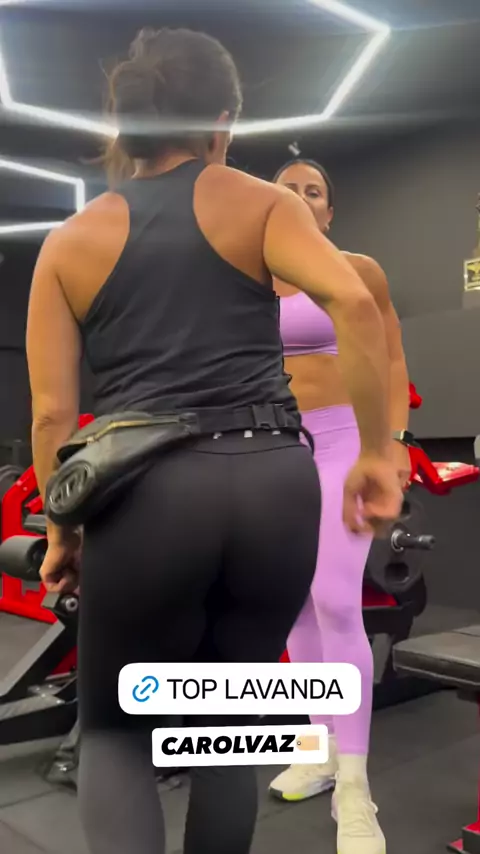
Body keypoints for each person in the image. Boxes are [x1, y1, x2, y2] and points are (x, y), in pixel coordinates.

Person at [26, 29, 402, 854]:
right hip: (275, 481)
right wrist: (380, 452)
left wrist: (61, 533)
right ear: (222, 121)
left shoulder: (69, 241)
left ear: (124, 123)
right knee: (227, 722)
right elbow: (354, 302)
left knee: (117, 732)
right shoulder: (263, 203)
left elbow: (53, 417)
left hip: (149, 494)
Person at [269, 159, 410, 854]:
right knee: (294, 601)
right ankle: (316, 749)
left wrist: (393, 442)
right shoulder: (244, 280)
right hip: (273, 447)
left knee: (333, 598)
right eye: (286, 189)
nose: (299, 197)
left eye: (313, 191)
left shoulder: (358, 271)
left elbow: (390, 357)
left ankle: (355, 789)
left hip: (343, 442)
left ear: (328, 212)